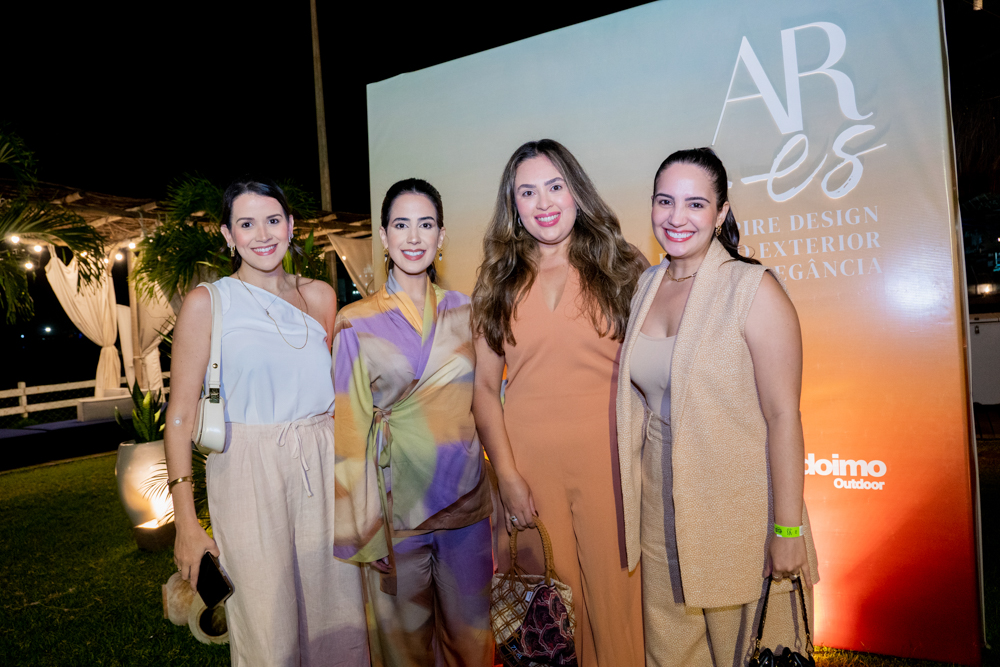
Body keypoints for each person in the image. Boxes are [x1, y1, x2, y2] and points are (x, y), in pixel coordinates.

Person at [616, 148, 820, 666]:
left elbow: (783, 417)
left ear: (722, 212)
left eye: (695, 204)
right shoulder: (646, 285)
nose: (676, 218)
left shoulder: (753, 289)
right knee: (670, 653)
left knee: (739, 651)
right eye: (665, 202)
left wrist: (788, 530)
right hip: (658, 506)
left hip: (738, 510)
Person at [164, 178, 368, 666]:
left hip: (320, 463)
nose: (262, 234)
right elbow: (179, 415)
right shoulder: (209, 302)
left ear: (291, 226)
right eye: (246, 223)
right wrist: (186, 524)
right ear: (227, 235)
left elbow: (338, 396)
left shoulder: (319, 297)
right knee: (266, 624)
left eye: (273, 220)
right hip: (246, 468)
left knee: (337, 616)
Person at [471, 139, 647, 666]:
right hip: (529, 472)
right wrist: (506, 475)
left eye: (555, 186)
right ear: (514, 206)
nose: (544, 202)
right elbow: (483, 389)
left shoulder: (623, 265)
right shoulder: (497, 280)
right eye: (528, 192)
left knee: (618, 611)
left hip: (610, 465)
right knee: (547, 622)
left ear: (577, 192)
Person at [332, 178, 494, 667]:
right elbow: (349, 432)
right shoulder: (354, 321)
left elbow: (489, 405)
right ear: (383, 236)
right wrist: (364, 530)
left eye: (426, 224)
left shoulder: (467, 311)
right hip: (394, 514)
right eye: (401, 224)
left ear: (442, 235)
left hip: (466, 507)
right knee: (404, 653)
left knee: (474, 644)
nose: (414, 236)